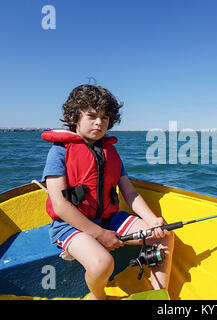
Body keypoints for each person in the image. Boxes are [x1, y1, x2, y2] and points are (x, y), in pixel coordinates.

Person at [41, 84, 174, 300]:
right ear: (75, 117)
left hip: (110, 219)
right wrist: (99, 234)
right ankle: (98, 296)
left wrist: (152, 220)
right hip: (71, 225)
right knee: (103, 263)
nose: (99, 122)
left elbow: (129, 192)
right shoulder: (58, 152)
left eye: (105, 117)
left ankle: (156, 295)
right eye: (92, 116)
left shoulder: (110, 151)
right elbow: (60, 205)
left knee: (165, 234)